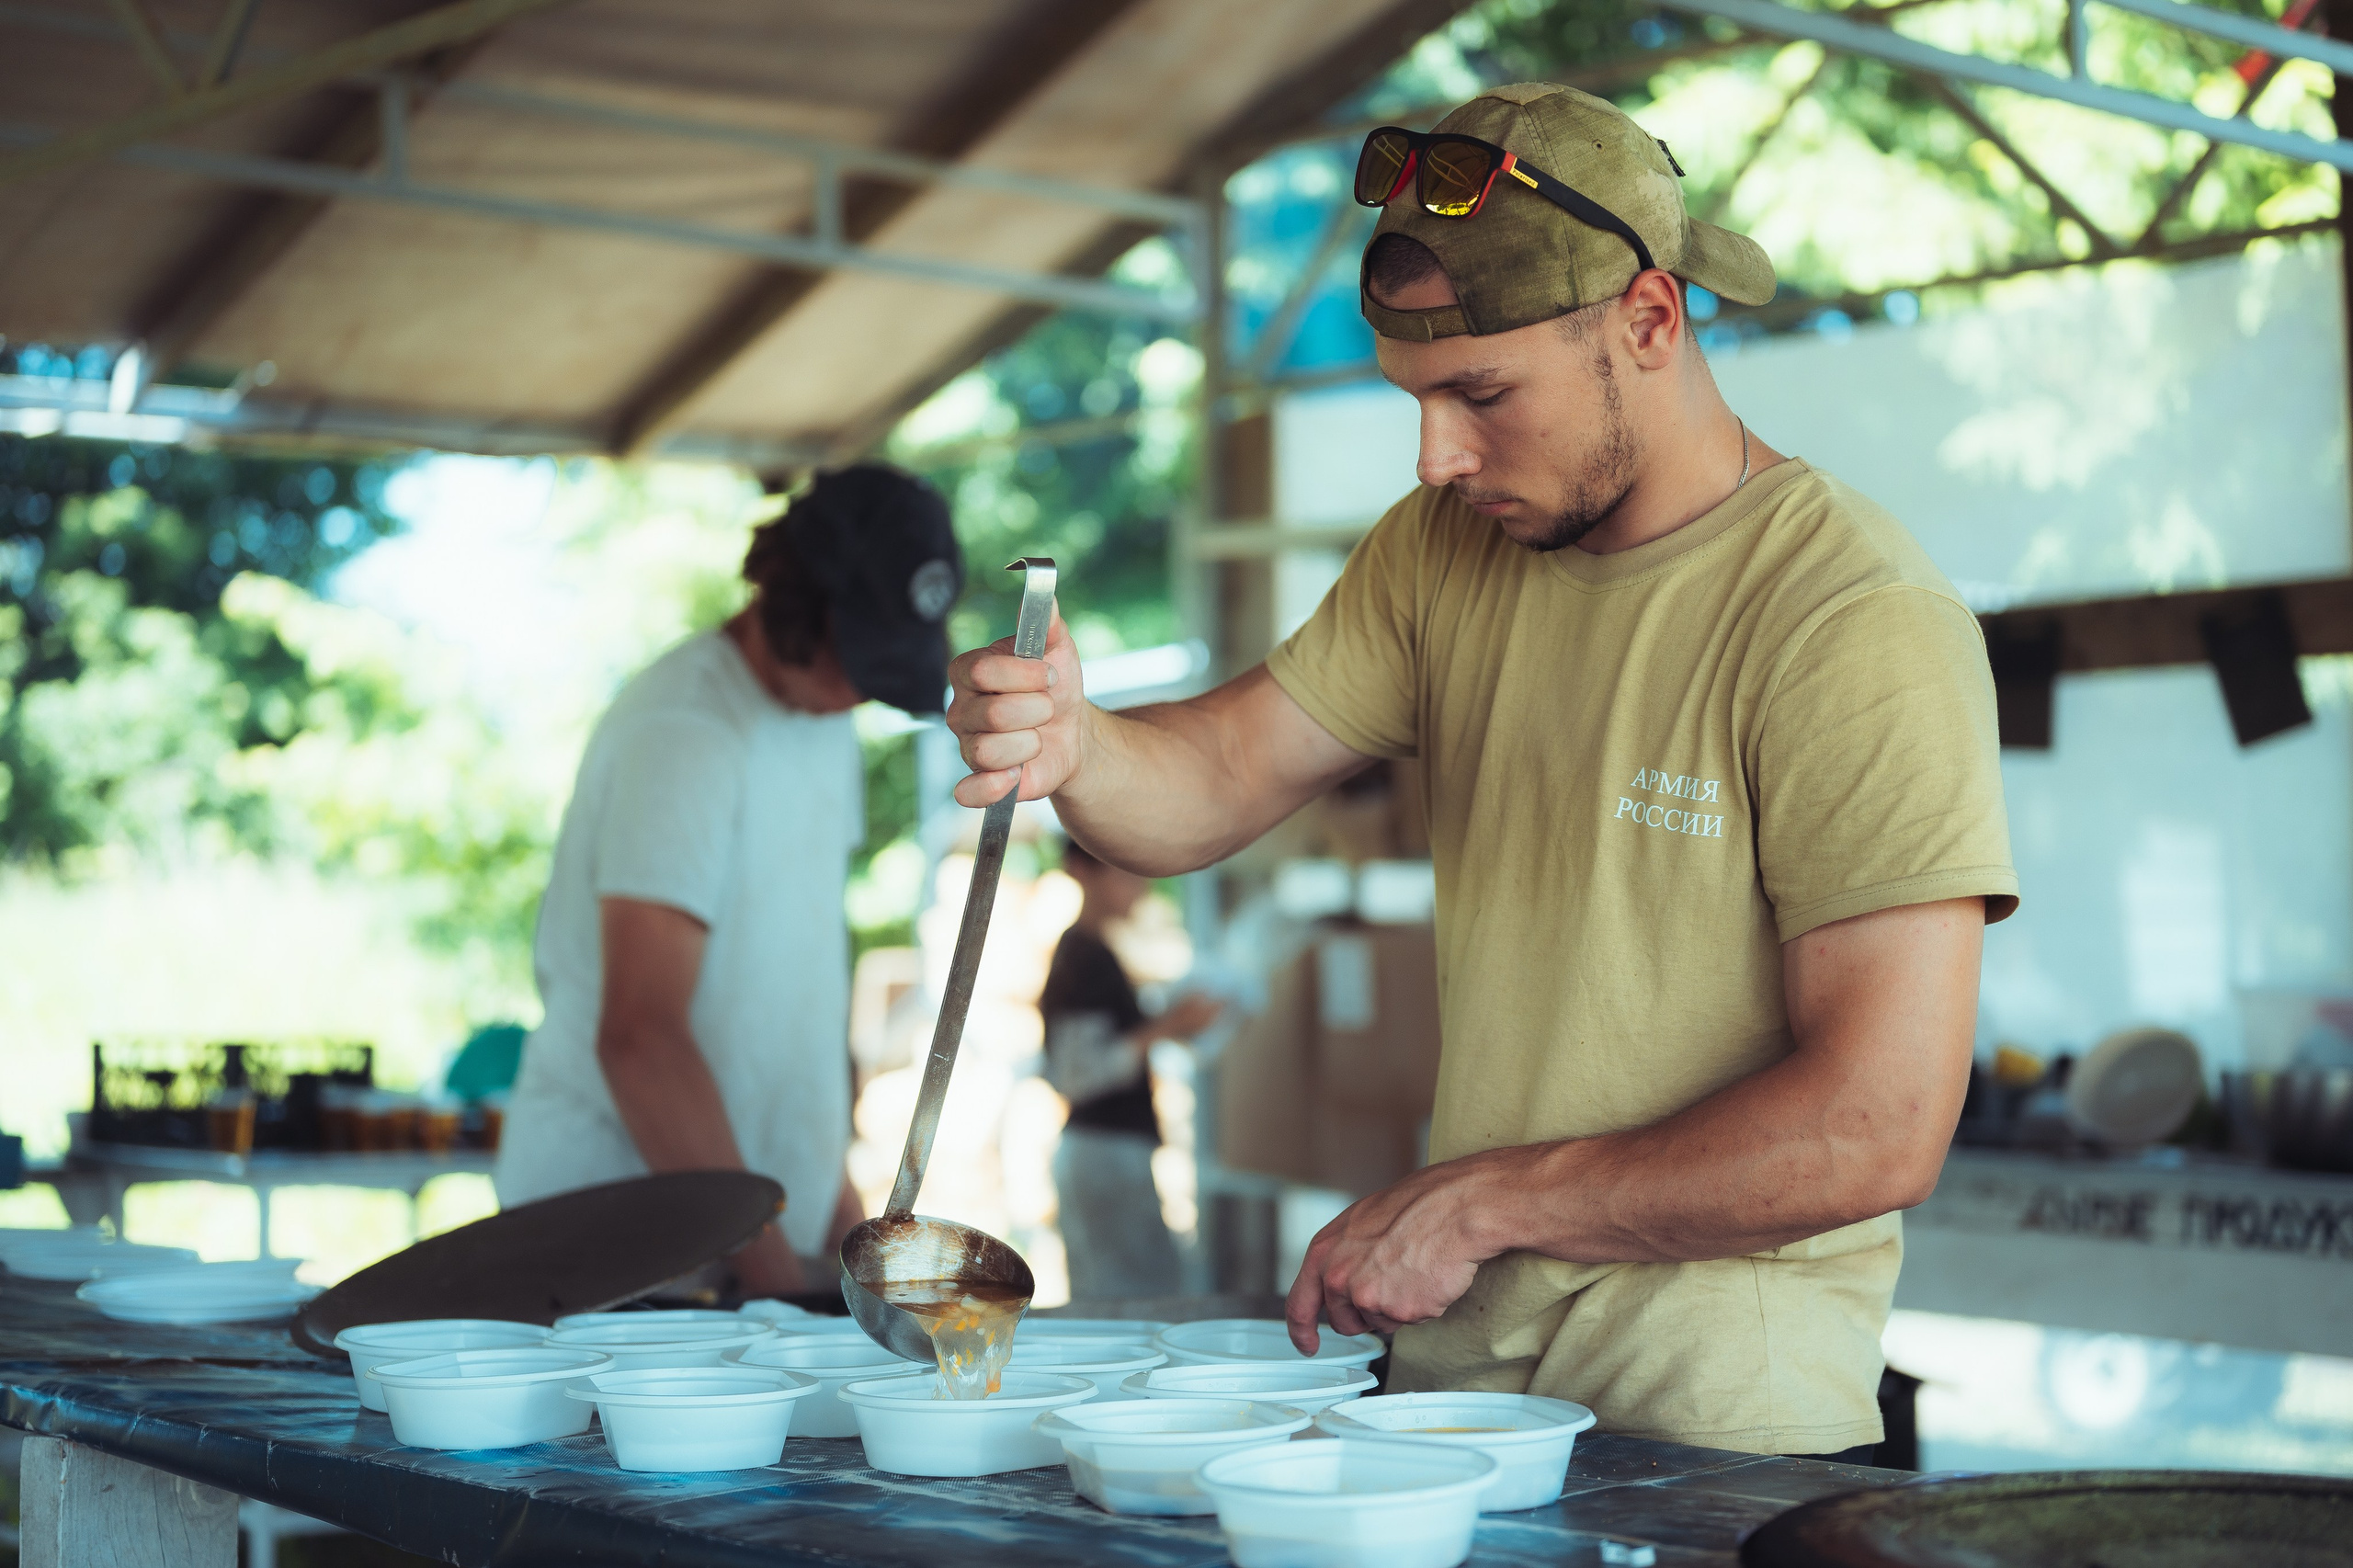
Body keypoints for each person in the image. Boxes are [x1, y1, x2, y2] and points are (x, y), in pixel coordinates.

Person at [947, 83, 2016, 1460]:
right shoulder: (1446, 547)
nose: (1436, 456)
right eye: (1414, 397)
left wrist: (1486, 1200)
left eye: (1482, 393)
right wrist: (1076, 745)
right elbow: (1212, 777)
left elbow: (1873, 1125)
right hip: (1454, 1406)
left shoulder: (1847, 615)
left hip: (1709, 1434)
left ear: (1648, 319)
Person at [496, 465, 966, 1297]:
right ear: (791, 599)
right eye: (859, 654)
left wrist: (842, 1235)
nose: (865, 688)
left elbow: (789, 1010)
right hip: (618, 1247)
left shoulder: (824, 723)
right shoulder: (687, 731)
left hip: (743, 1249)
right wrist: (778, 1284)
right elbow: (639, 1036)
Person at [1040, 839, 1222, 1301]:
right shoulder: (1082, 958)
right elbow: (1075, 1076)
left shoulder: (1096, 952)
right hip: (1103, 1152)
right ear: (1082, 870)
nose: (1140, 886)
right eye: (1125, 870)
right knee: (1136, 1302)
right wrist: (1164, 1027)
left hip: (1108, 1150)